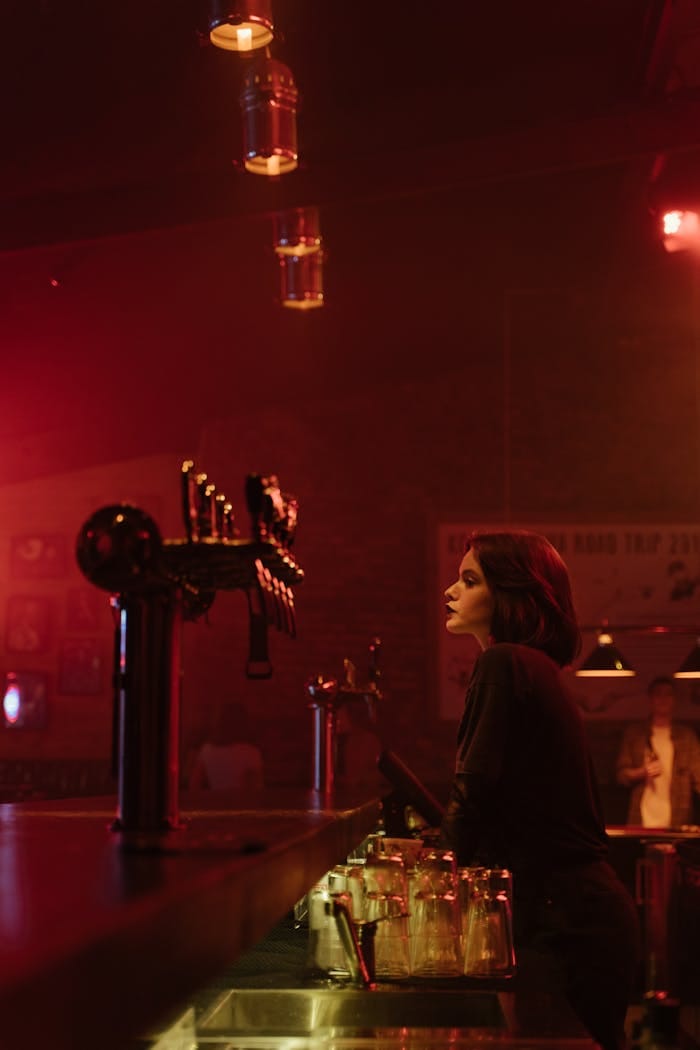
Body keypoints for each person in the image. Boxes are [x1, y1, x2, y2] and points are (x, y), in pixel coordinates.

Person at [440, 530, 640, 1050]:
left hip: (566, 920)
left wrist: (434, 882)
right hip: (581, 913)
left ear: (511, 593)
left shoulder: (503, 662)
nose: (450, 592)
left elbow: (473, 792)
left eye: (469, 580)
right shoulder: (532, 667)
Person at [615, 676, 700, 828]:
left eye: (668, 694)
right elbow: (621, 776)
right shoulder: (635, 734)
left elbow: (698, 777)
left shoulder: (687, 737)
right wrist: (642, 772)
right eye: (658, 694)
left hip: (678, 818)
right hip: (642, 817)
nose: (663, 699)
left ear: (675, 699)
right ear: (650, 698)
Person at [189, 702, 264, 792]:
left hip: (217, 803)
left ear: (220, 722)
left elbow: (194, 784)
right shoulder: (251, 752)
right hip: (242, 804)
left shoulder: (207, 750)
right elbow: (256, 788)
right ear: (245, 723)